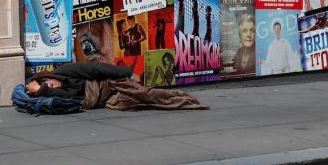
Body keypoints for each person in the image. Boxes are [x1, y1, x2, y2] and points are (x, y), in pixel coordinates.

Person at [24, 63, 207, 110]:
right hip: (106, 98)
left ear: (49, 77)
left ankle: (184, 99)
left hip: (110, 83)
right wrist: (43, 90)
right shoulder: (60, 94)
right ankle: (176, 101)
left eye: (51, 84)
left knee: (146, 95)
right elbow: (64, 98)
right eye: (50, 88)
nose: (54, 87)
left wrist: (126, 73)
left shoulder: (66, 70)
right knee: (137, 104)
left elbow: (96, 69)